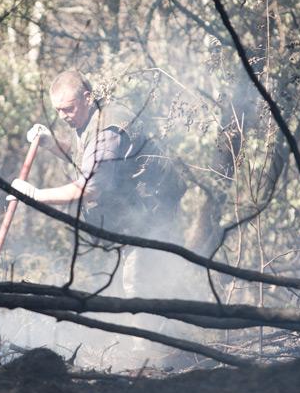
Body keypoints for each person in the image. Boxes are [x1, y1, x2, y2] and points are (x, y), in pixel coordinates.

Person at [10, 70, 186, 299]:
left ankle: (149, 333)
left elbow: (89, 189)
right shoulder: (87, 118)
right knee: (112, 285)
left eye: (68, 108)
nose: (62, 116)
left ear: (88, 97)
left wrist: (34, 195)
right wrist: (51, 143)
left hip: (148, 217)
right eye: (57, 110)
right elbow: (83, 155)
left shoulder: (108, 131)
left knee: (138, 289)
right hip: (124, 217)